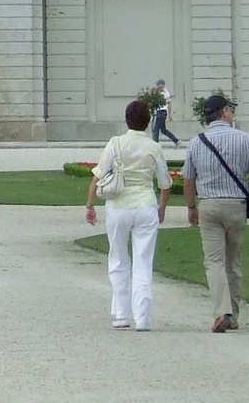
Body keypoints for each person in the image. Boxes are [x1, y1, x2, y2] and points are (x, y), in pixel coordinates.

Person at [183, 94, 249, 332]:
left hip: (209, 205)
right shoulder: (245, 139)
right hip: (236, 205)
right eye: (231, 110)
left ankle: (221, 313)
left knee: (214, 261)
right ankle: (232, 314)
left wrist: (191, 207)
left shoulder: (196, 142)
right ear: (223, 112)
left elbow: (189, 181)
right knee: (233, 262)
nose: (232, 114)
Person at [85, 99, 172, 331]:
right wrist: (161, 208)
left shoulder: (116, 143)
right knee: (143, 263)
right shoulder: (154, 147)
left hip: (119, 205)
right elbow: (165, 184)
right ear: (148, 121)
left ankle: (122, 315)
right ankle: (143, 318)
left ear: (127, 120)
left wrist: (90, 205)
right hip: (145, 204)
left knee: (119, 259)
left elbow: (98, 176)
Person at [152, 79, 181, 146]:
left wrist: (170, 115)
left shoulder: (164, 93)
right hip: (159, 112)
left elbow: (169, 104)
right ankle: (176, 140)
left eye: (158, 84)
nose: (157, 86)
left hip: (162, 112)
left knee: (156, 129)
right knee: (163, 130)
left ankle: (155, 144)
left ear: (162, 85)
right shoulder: (159, 92)